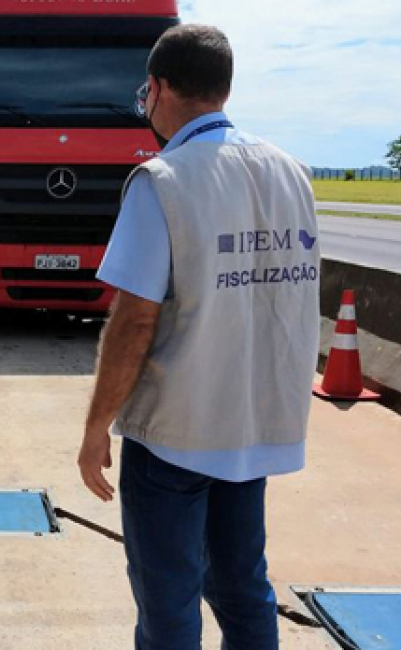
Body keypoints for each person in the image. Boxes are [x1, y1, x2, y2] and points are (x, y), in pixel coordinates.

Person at [78, 24, 320, 650]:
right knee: (244, 590)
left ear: (156, 89)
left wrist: (95, 427)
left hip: (177, 437)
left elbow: (133, 322)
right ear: (223, 87)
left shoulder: (163, 180)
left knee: (169, 600)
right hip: (254, 427)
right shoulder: (292, 174)